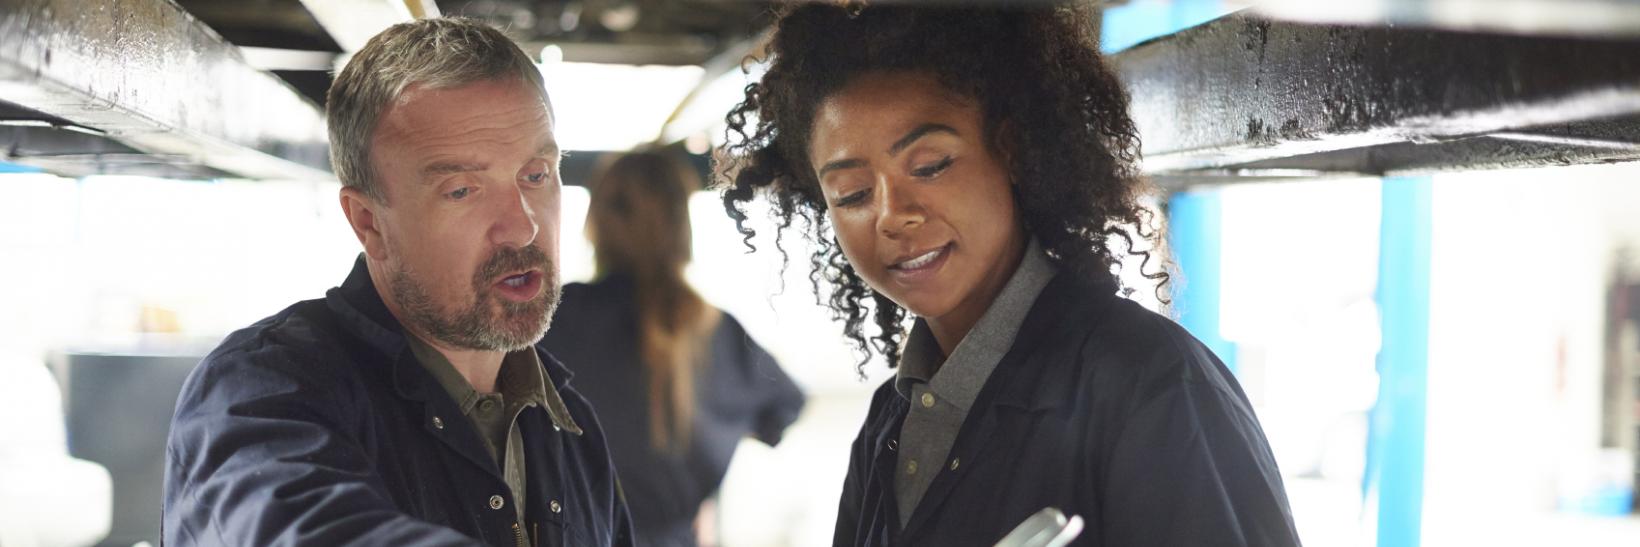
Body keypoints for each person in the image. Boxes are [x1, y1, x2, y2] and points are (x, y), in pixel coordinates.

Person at [717, 4, 1302, 546]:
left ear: (1014, 149)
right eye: (852, 193)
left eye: (930, 165)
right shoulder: (889, 426)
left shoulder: (1153, 386)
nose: (894, 215)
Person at [162, 18, 631, 546]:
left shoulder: (573, 433)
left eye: (536, 174)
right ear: (369, 223)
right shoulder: (261, 389)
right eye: (462, 190)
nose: (522, 225)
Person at [544, 151, 806, 547]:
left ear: (596, 221)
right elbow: (784, 407)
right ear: (682, 225)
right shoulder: (715, 328)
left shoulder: (557, 320)